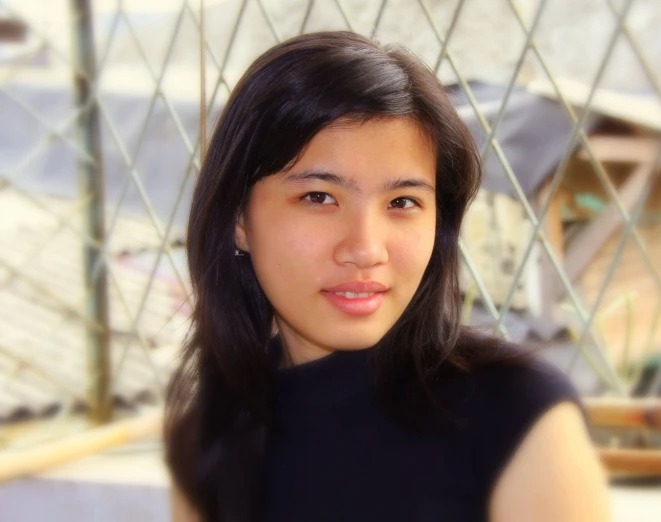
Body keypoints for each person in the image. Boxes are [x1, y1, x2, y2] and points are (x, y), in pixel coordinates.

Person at [165, 31, 610, 522]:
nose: (365, 249)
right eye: (319, 197)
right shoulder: (212, 430)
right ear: (239, 220)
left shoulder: (516, 417)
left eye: (402, 203)